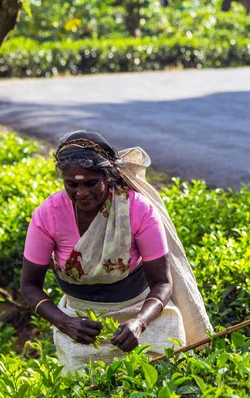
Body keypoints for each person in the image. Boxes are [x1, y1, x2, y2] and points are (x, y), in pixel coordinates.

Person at [21, 131, 212, 373]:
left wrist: (140, 323)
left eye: (91, 183)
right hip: (82, 330)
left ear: (108, 176)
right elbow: (29, 286)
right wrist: (65, 322)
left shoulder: (137, 209)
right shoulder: (48, 214)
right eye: (72, 184)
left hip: (144, 320)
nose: (82, 193)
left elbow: (162, 283)